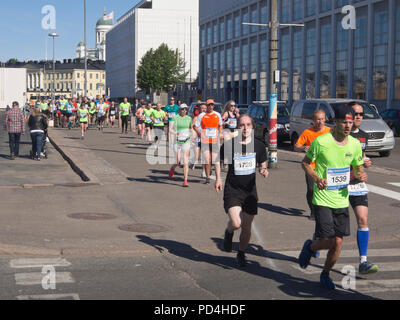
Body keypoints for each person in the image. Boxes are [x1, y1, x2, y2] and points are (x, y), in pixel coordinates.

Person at [298, 105, 367, 290]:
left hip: (342, 199)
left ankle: (325, 273)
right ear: (335, 122)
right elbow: (305, 164)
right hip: (322, 198)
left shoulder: (354, 144)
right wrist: (317, 178)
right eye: (344, 122)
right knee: (328, 240)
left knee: (338, 242)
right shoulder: (321, 142)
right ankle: (311, 247)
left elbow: (358, 165)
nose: (347, 126)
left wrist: (360, 173)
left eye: (351, 122)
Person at [216, 114, 269, 267]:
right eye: (242, 125)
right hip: (233, 189)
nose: (245, 128)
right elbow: (218, 161)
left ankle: (241, 253)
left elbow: (262, 164)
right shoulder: (230, 145)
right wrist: (218, 178)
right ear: (237, 127)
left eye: (248, 125)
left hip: (250, 192)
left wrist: (264, 170)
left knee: (246, 227)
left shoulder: (258, 146)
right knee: (236, 222)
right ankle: (229, 231)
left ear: (252, 127)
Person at [348, 101, 378, 275]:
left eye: (360, 114)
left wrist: (365, 163)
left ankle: (363, 261)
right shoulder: (338, 134)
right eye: (355, 113)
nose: (358, 117)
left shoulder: (364, 136)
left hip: (357, 184)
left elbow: (361, 156)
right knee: (331, 228)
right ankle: (316, 243)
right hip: (340, 184)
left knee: (363, 220)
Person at [294, 110, 331, 220]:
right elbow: (296, 146)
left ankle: (325, 210)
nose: (320, 122)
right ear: (313, 120)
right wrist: (303, 148)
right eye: (318, 119)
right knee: (311, 190)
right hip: (311, 166)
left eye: (322, 119)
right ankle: (313, 211)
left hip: (326, 166)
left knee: (326, 188)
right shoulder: (307, 132)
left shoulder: (330, 131)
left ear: (325, 119)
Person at [193, 98, 223, 184]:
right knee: (207, 159)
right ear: (206, 106)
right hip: (205, 140)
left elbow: (220, 125)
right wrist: (200, 133)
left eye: (212, 104)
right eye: (209, 104)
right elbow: (195, 126)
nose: (211, 106)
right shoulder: (201, 115)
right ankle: (208, 177)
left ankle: (215, 174)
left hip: (215, 140)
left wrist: (220, 133)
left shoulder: (217, 114)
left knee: (214, 159)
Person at [168, 104, 193, 187]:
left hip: (186, 141)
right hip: (177, 141)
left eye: (185, 109)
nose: (184, 110)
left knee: (186, 162)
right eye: (182, 109)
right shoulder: (175, 118)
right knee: (178, 161)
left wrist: (192, 135)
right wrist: (176, 133)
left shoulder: (189, 118)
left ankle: (185, 180)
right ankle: (173, 168)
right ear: (179, 110)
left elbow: (191, 128)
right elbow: (170, 129)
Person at [191, 103, 207, 170]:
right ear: (199, 109)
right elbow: (192, 127)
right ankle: (194, 161)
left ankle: (204, 171)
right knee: (197, 154)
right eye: (202, 108)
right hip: (197, 137)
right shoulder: (196, 118)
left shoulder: (207, 117)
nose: (204, 109)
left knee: (204, 154)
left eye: (205, 108)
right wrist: (193, 134)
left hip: (205, 138)